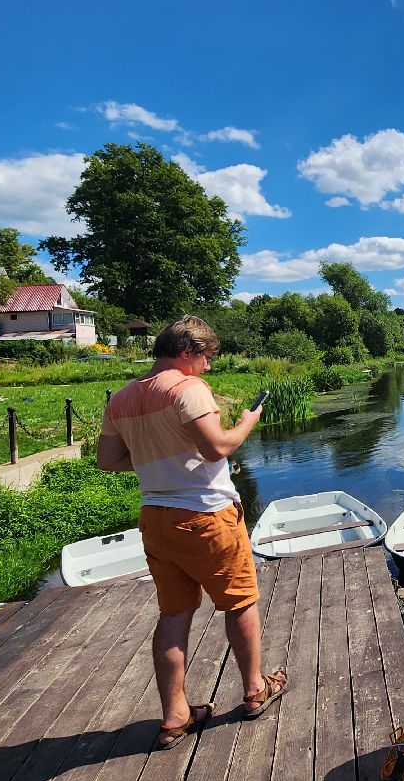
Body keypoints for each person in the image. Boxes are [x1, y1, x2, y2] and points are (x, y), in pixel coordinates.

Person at [97, 314, 283, 751]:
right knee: (239, 604)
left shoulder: (122, 398)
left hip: (157, 519)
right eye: (207, 358)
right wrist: (247, 421)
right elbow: (218, 447)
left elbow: (109, 460)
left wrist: (159, 461)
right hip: (206, 516)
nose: (209, 368)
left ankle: (175, 715)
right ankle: (255, 689)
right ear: (187, 352)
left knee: (174, 615)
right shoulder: (187, 388)